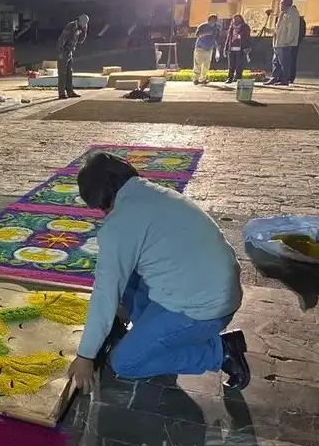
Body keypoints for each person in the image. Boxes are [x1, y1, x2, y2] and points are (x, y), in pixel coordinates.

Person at [65, 152, 251, 393]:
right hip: (211, 288)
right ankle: (142, 333)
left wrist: (85, 356)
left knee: (125, 362)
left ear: (103, 200)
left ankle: (220, 352)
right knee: (127, 273)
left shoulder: (120, 224)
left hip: (204, 310)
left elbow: (105, 293)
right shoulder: (155, 193)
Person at [264, 0, 301, 86]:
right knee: (275, 62)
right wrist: (269, 30)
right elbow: (278, 29)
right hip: (278, 43)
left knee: (284, 63)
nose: (280, 5)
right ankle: (274, 78)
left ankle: (284, 80)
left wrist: (286, 42)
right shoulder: (282, 14)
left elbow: (292, 29)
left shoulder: (292, 13)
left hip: (284, 44)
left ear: (287, 3)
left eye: (281, 3)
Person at [56, 14, 89, 99]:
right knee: (62, 73)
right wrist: (60, 52)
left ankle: (70, 91)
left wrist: (84, 31)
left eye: (86, 23)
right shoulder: (71, 26)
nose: (84, 24)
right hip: (63, 52)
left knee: (69, 73)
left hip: (70, 52)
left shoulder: (79, 28)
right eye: (84, 23)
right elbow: (62, 39)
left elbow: (81, 41)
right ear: (80, 21)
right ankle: (61, 93)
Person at [192, 14, 221, 85]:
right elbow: (197, 35)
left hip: (209, 48)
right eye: (211, 20)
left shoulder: (216, 28)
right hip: (200, 48)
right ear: (208, 20)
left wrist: (217, 47)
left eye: (214, 20)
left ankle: (203, 79)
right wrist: (205, 33)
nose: (213, 22)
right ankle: (195, 79)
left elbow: (216, 38)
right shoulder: (203, 26)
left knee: (206, 65)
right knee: (198, 64)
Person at [224, 14, 251, 84]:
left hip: (241, 48)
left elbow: (247, 38)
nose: (236, 21)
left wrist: (247, 47)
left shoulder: (245, 27)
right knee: (231, 65)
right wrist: (226, 48)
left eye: (238, 19)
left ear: (241, 19)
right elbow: (228, 38)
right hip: (231, 48)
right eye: (235, 19)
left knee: (239, 64)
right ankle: (230, 78)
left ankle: (238, 78)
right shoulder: (231, 28)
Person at [289, 14, 307, 83]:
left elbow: (302, 31)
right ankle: (290, 77)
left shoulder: (299, 20)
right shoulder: (290, 18)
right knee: (291, 60)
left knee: (291, 59)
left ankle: (290, 76)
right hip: (293, 42)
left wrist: (298, 39)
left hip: (294, 42)